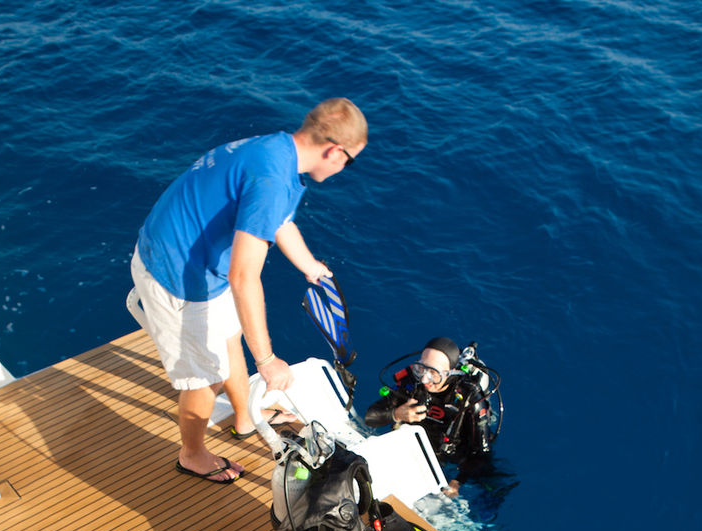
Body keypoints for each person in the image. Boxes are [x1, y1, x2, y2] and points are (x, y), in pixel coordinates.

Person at [130, 98, 367, 484]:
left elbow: (276, 218)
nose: (345, 169)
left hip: (194, 260)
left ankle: (244, 418)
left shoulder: (276, 151)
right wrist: (268, 359)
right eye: (350, 161)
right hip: (177, 278)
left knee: (229, 337)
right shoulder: (274, 180)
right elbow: (244, 276)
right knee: (204, 379)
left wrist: (308, 266)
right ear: (334, 151)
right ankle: (191, 454)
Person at [364, 337, 496, 497]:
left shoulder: (470, 399)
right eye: (421, 368)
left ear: (451, 373)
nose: (425, 378)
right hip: (414, 447)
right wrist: (396, 414)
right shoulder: (411, 383)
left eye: (434, 373)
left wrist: (458, 481)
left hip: (453, 456)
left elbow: (482, 454)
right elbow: (370, 417)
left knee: (489, 485)